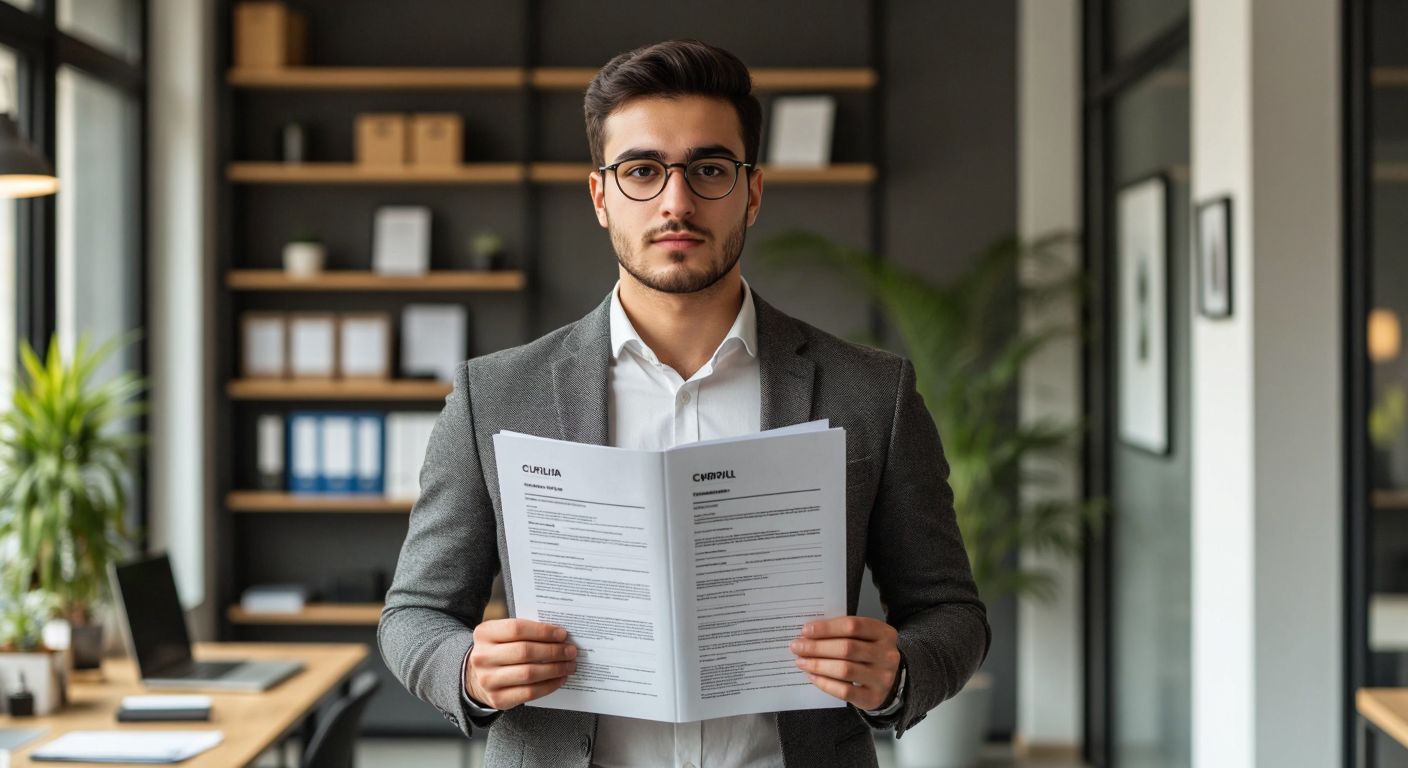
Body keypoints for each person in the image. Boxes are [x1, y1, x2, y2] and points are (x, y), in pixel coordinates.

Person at [379, 39, 990, 768]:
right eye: (641, 170)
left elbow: (952, 613)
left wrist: (900, 672)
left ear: (752, 192)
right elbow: (414, 615)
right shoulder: (495, 393)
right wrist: (469, 672)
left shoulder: (871, 390)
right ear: (601, 197)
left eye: (708, 170)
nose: (676, 202)